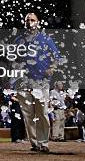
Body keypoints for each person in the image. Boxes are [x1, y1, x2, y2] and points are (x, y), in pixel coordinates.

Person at [13, 12, 62, 153]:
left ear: (38, 22)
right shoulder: (19, 40)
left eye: (32, 20)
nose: (29, 22)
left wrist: (52, 68)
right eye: (27, 20)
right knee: (28, 114)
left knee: (42, 112)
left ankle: (43, 142)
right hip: (23, 81)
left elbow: (56, 57)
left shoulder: (45, 38)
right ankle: (35, 142)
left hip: (41, 81)